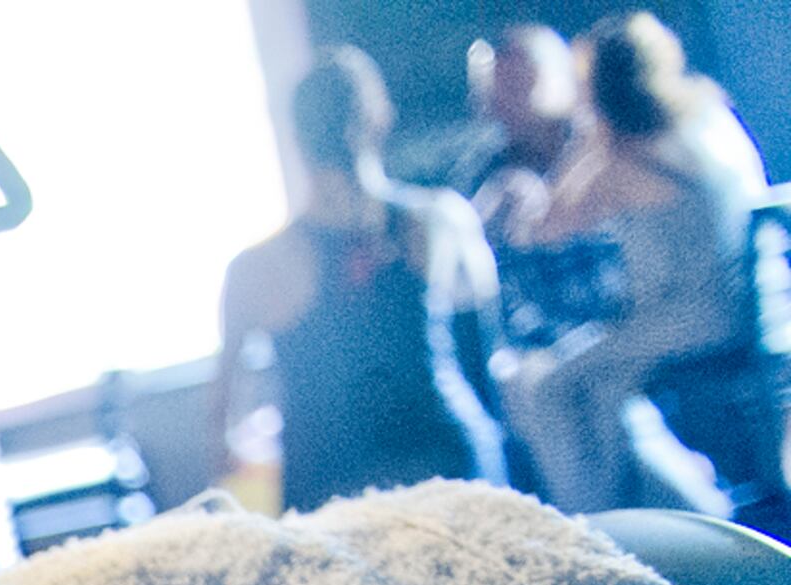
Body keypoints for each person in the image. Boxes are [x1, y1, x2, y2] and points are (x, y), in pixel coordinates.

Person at [502, 13, 771, 512]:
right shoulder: (708, 114)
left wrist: (586, 128)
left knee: (548, 384)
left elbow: (549, 223)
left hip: (696, 319)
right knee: (603, 387)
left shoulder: (635, 154)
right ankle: (690, 507)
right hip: (741, 311)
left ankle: (595, 524)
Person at [215, 49, 506, 511]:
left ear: (296, 136)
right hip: (450, 471)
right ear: (380, 117)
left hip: (333, 488)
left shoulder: (255, 269)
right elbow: (489, 364)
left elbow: (222, 432)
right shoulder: (444, 221)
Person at [453, 24, 579, 239]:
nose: (504, 104)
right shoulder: (486, 171)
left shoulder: (596, 150)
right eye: (495, 91)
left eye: (516, 86)